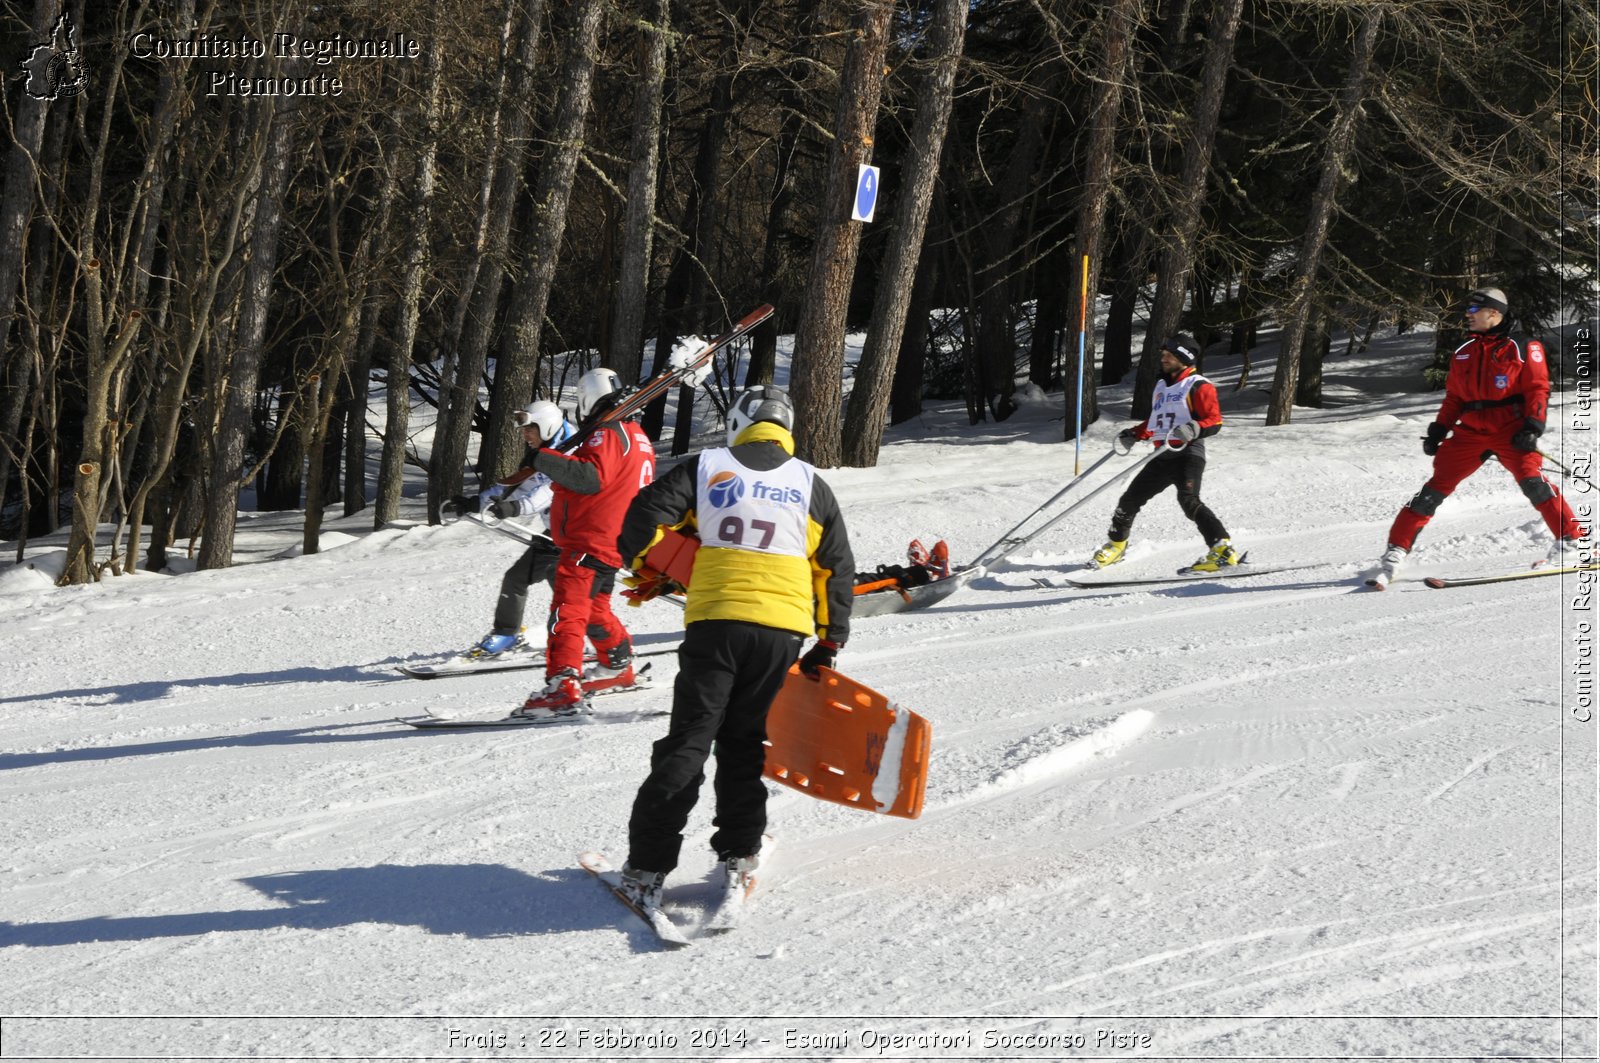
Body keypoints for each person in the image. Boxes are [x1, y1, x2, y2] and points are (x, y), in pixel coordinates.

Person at [611, 385, 854, 911]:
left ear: (739, 422)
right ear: (787, 426)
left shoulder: (707, 466)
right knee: (745, 743)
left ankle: (647, 869)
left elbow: (639, 523)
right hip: (782, 632)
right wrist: (829, 641)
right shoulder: (811, 483)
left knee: (690, 741)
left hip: (716, 623)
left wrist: (666, 565)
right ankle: (740, 854)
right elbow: (835, 569)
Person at [1372, 286, 1581, 587]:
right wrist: (1439, 429)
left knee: (1533, 482)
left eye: (1473, 310)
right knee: (1431, 492)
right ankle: (1395, 554)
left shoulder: (1523, 346)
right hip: (1469, 432)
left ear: (1494, 313)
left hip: (1509, 428)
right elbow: (1455, 397)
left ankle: (1572, 542)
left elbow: (1538, 388)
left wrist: (1532, 426)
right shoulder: (1464, 350)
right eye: (1468, 310)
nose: (1467, 315)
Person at [514, 368, 656, 720]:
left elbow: (589, 477)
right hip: (612, 541)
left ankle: (562, 683)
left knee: (568, 612)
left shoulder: (606, 433)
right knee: (594, 610)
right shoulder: (637, 435)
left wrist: (543, 459)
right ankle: (616, 662)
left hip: (590, 539)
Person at [1090, 334, 1241, 572]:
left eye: (1169, 355)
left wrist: (1193, 428)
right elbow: (1157, 421)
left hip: (1187, 453)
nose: (1164, 359)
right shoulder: (1161, 386)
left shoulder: (1198, 385)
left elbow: (1214, 421)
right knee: (1129, 500)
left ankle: (1223, 550)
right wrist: (1136, 433)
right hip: (1160, 456)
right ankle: (1116, 546)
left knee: (1189, 501)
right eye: (1163, 355)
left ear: (1184, 357)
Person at [454, 401, 575, 660]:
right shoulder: (543, 453)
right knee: (516, 578)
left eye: (529, 428)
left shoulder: (572, 451)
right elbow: (516, 485)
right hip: (553, 535)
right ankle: (506, 634)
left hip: (577, 536)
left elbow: (547, 491)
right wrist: (477, 502)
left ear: (547, 425)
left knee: (565, 588)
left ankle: (570, 641)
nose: (524, 435)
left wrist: (515, 508)